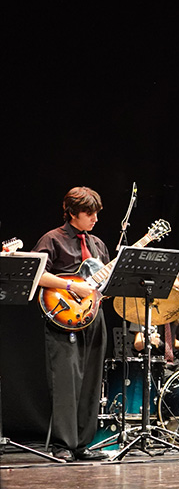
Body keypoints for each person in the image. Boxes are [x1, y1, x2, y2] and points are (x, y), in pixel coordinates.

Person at [32, 187, 110, 461]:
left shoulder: (98, 244)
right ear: (72, 213)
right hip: (63, 317)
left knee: (91, 381)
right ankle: (63, 445)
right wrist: (70, 286)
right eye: (89, 213)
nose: (95, 219)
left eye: (96, 213)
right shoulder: (52, 239)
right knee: (66, 382)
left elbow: (103, 286)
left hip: (93, 316)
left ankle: (83, 443)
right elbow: (37, 274)